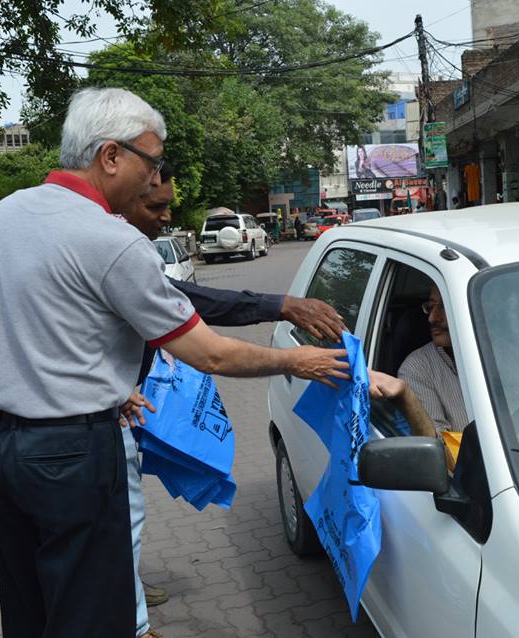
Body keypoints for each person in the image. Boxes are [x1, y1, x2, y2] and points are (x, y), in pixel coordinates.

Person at [0, 87, 350, 638]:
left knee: (29, 608)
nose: (155, 179)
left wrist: (102, 380)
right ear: (111, 156)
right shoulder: (111, 240)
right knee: (90, 616)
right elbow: (209, 352)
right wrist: (296, 361)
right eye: (151, 163)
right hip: (70, 455)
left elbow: (32, 323)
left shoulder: (8, 212)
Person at [120, 160, 346, 638]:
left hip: (114, 406)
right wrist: (291, 355)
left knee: (124, 519)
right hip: (87, 425)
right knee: (119, 520)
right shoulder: (112, 250)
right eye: (156, 205)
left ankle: (128, 591)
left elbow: (185, 300)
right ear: (123, 191)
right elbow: (211, 349)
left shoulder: (126, 246)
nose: (166, 217)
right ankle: (133, 620)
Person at [397, 284, 467, 432]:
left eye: (444, 306)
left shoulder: (509, 352)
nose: (432, 318)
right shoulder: (417, 368)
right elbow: (438, 448)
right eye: (430, 306)